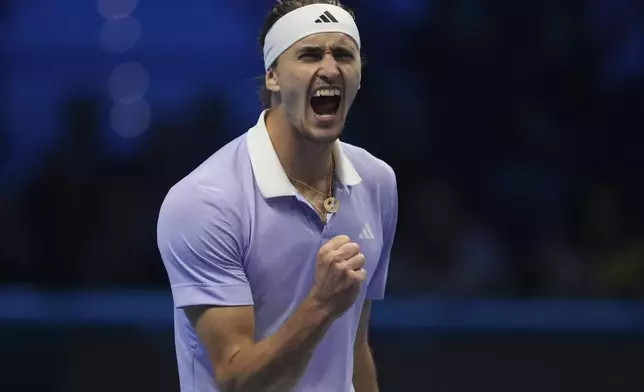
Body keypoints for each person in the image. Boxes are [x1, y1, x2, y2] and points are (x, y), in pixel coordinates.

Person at [157, 1, 398, 391]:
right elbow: (236, 381)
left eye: (343, 54)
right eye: (308, 55)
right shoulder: (204, 202)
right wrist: (320, 305)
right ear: (272, 76)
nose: (330, 68)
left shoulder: (377, 181)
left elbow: (353, 345)